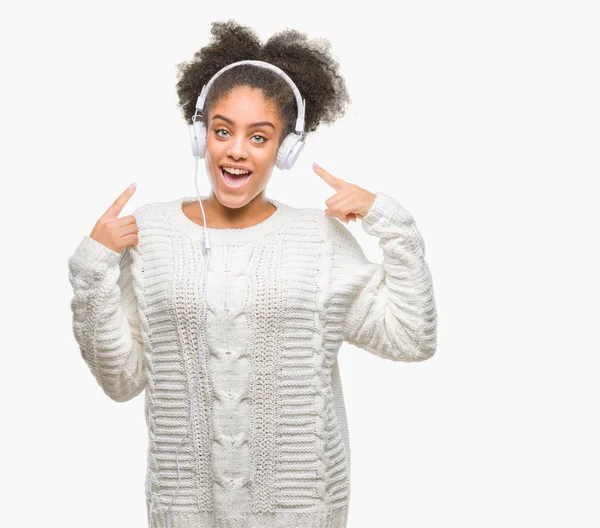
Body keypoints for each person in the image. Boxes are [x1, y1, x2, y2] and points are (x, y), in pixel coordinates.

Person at [67, 19, 437, 528]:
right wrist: (93, 268)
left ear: (285, 148)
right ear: (202, 137)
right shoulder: (150, 233)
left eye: (259, 137)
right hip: (184, 514)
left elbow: (411, 338)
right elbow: (121, 379)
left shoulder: (320, 240)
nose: (236, 149)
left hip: (301, 512)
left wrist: (394, 225)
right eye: (223, 130)